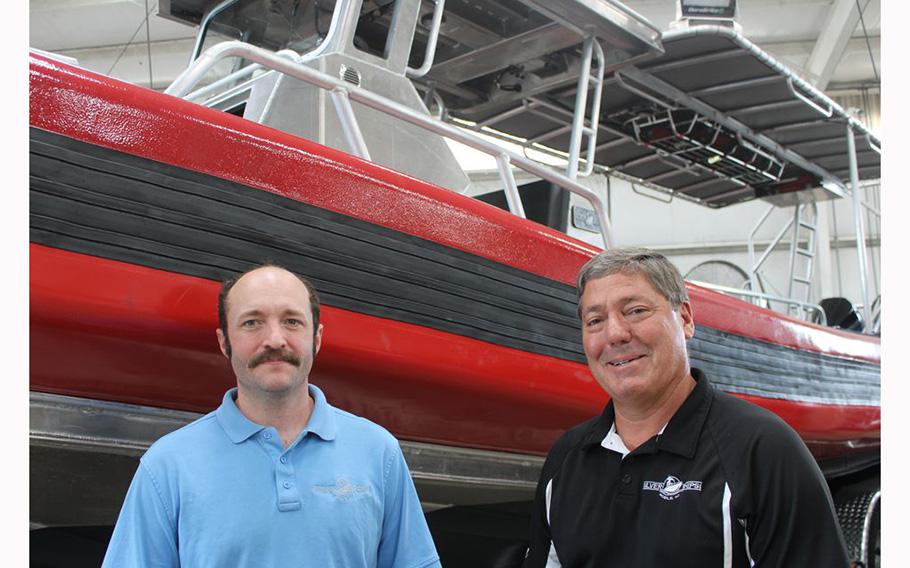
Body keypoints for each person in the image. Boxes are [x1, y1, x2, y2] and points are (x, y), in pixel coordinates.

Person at [523, 248, 849, 567]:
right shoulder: (567, 457)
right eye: (595, 321)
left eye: (635, 311)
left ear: (686, 319)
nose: (615, 334)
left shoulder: (762, 450)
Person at [103, 263, 441, 568]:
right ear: (224, 342)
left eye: (292, 321)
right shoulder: (167, 465)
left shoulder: (377, 452)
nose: (275, 339)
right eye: (252, 323)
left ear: (317, 338)